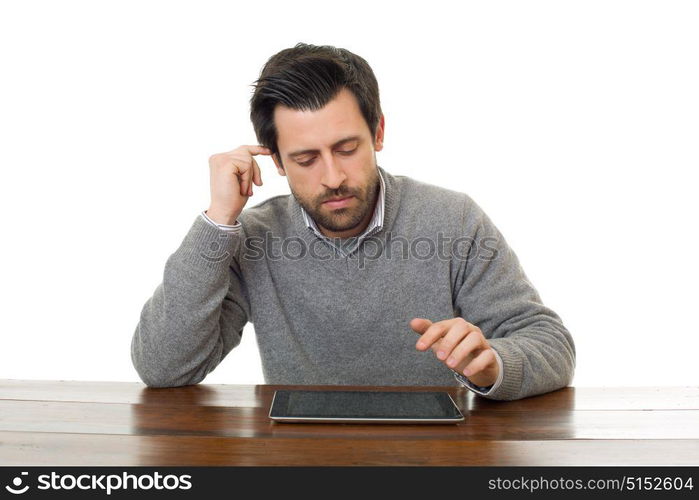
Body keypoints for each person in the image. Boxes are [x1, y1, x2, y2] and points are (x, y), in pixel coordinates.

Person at [131, 42, 575, 401]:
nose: (333, 177)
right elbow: (163, 367)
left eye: (347, 149)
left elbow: (550, 344)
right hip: (298, 460)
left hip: (433, 457)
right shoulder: (253, 239)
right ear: (278, 162)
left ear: (378, 132)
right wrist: (218, 220)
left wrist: (494, 362)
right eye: (305, 159)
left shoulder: (453, 220)